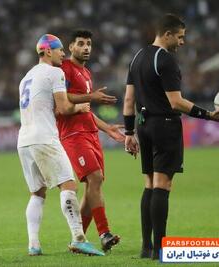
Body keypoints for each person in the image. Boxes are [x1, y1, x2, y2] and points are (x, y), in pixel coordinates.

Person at [122, 14, 219, 260]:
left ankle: (146, 248)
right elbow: (176, 102)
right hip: (164, 125)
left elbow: (129, 100)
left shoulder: (137, 57)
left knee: (149, 184)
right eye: (180, 37)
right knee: (163, 185)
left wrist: (129, 132)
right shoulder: (166, 60)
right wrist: (209, 115)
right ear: (167, 34)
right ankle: (161, 250)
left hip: (143, 125)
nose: (182, 42)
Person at [17, 33, 104, 256]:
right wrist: (81, 106)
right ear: (47, 51)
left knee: (37, 193)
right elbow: (64, 108)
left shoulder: (26, 77)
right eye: (59, 50)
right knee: (69, 186)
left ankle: (34, 245)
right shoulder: (55, 72)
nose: (63, 54)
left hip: (24, 140)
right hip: (44, 137)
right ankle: (79, 237)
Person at [56, 29, 124, 252]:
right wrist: (91, 96)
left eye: (89, 44)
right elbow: (62, 101)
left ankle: (79, 241)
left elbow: (87, 110)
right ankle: (104, 233)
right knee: (94, 178)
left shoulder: (86, 74)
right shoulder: (63, 69)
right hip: (73, 135)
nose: (86, 48)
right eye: (81, 44)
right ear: (71, 47)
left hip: (90, 134)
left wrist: (107, 128)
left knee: (94, 183)